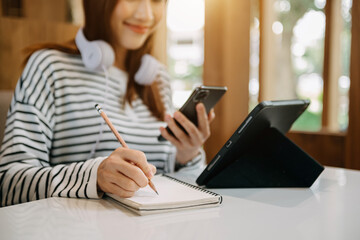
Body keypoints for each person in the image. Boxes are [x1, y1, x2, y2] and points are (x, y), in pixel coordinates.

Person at [0, 0, 215, 207]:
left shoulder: (157, 78)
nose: (146, 15)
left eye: (157, 0)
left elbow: (178, 184)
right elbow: (8, 184)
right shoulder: (49, 68)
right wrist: (94, 177)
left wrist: (187, 157)